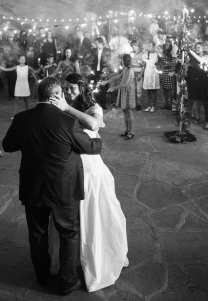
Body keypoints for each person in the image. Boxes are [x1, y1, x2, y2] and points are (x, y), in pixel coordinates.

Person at [2, 77, 102, 295]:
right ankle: (67, 282)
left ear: (39, 94)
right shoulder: (67, 120)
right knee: (68, 233)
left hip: (33, 186)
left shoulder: (22, 118)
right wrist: (98, 140)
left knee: (37, 233)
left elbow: (8, 146)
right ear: (58, 95)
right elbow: (91, 147)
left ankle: (42, 276)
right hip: (64, 188)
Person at [49, 73, 128, 290]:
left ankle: (96, 260)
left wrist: (66, 108)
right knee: (70, 221)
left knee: (93, 216)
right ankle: (70, 263)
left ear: (82, 89)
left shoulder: (93, 107)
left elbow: (93, 125)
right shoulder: (60, 105)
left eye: (72, 88)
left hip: (91, 170)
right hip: (69, 168)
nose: (68, 92)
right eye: (66, 88)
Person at [103, 54, 136, 139]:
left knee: (128, 111)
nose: (121, 61)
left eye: (122, 60)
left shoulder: (130, 70)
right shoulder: (125, 68)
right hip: (123, 90)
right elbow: (118, 77)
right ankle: (127, 130)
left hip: (128, 91)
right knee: (124, 111)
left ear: (124, 60)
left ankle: (131, 132)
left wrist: (113, 88)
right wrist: (107, 81)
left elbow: (125, 83)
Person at [0, 54, 38, 119]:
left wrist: (40, 68)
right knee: (16, 101)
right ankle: (14, 115)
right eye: (21, 59)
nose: (23, 60)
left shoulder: (28, 67)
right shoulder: (16, 67)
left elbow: (35, 71)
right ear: (18, 60)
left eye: (24, 59)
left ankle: (28, 113)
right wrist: (1, 67)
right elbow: (6, 69)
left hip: (25, 85)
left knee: (26, 101)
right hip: (18, 85)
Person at [186, 42, 208, 124]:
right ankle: (192, 113)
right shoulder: (192, 56)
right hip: (192, 78)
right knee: (192, 97)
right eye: (196, 47)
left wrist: (191, 52)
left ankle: (198, 117)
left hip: (201, 79)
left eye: (199, 47)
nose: (197, 49)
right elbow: (189, 64)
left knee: (197, 99)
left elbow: (201, 60)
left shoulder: (205, 56)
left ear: (202, 48)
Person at [142, 41, 160, 113]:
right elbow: (143, 63)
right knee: (148, 90)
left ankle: (153, 105)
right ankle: (149, 105)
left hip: (154, 73)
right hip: (147, 72)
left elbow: (159, 62)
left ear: (153, 46)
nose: (148, 47)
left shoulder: (157, 54)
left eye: (150, 46)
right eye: (148, 45)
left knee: (153, 90)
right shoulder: (146, 54)